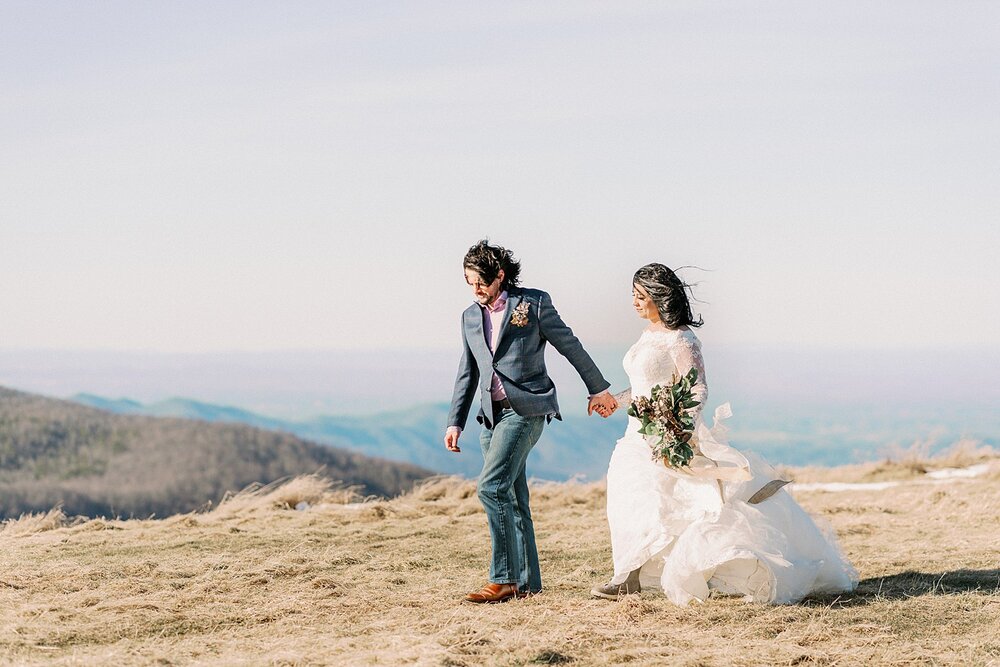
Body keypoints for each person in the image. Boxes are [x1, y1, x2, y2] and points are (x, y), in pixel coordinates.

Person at [591, 263, 858, 605]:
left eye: (641, 296)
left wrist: (681, 430)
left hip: (670, 434)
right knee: (626, 501)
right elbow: (646, 387)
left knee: (676, 505)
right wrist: (616, 400)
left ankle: (651, 575)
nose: (635, 302)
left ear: (661, 297)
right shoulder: (647, 335)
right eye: (633, 294)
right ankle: (627, 574)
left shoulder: (682, 338)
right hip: (635, 434)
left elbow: (697, 388)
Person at [445, 240, 618, 603]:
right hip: (489, 418)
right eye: (468, 282)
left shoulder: (533, 304)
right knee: (513, 496)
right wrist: (455, 422)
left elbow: (569, 345)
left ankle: (504, 578)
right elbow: (468, 371)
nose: (475, 289)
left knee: (490, 488)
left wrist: (597, 389)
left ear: (500, 276)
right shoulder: (469, 317)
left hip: (526, 410)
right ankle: (528, 585)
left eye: (481, 282)